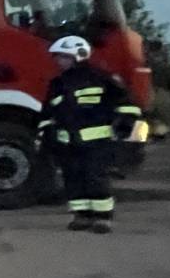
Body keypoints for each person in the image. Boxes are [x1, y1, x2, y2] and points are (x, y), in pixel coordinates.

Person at [36, 35, 141, 234]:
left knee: (96, 177)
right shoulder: (57, 83)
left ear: (78, 55)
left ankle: (103, 217)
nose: (59, 61)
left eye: (63, 57)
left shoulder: (100, 78)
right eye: (57, 57)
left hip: (97, 142)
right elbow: (47, 112)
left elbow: (127, 103)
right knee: (73, 178)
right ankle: (81, 215)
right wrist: (47, 133)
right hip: (67, 142)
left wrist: (125, 123)